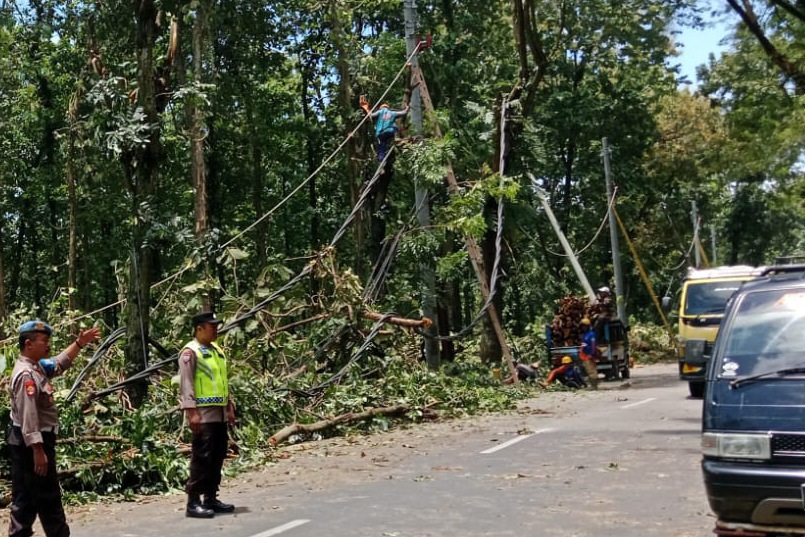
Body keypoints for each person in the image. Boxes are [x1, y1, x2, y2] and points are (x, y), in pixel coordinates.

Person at [7, 320, 101, 537]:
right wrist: (38, 450)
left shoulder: (37, 366)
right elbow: (29, 415)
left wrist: (79, 343)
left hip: (25, 442)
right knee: (48, 498)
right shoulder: (26, 375)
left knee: (25, 499)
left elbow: (59, 363)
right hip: (32, 444)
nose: (48, 345)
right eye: (44, 341)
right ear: (29, 344)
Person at [179, 311, 236, 519]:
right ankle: (193, 502)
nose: (216, 330)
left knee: (217, 456)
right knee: (201, 458)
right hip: (203, 414)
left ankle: (211, 498)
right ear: (199, 328)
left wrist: (229, 406)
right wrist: (191, 412)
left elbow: (222, 381)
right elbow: (186, 384)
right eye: (212, 327)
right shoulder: (190, 352)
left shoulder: (217, 350)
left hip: (219, 412)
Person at [579, 317, 599, 389]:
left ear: (587, 326)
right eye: (582, 326)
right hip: (585, 356)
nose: (583, 328)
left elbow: (593, 344)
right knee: (588, 371)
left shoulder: (591, 334)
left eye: (584, 326)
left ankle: (594, 385)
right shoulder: (585, 335)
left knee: (592, 370)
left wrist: (592, 353)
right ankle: (592, 385)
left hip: (589, 355)